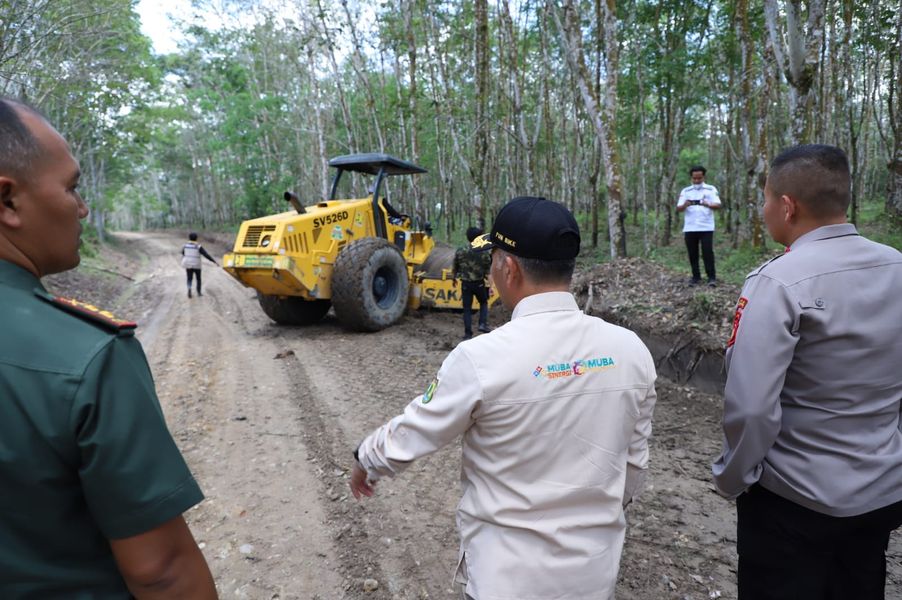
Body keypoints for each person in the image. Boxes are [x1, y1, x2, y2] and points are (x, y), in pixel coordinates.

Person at [350, 196, 657, 600]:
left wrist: (365, 458)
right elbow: (633, 467)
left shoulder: (481, 358)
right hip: (594, 576)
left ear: (507, 267)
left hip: (507, 579)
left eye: (494, 259)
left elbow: (416, 431)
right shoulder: (631, 349)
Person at [0, 97, 217, 598]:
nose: (82, 207)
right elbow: (161, 571)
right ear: (7, 201)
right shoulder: (87, 358)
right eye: (72, 187)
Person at [712, 144, 902, 599]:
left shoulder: (778, 281)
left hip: (793, 502)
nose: (763, 211)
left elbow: (752, 408)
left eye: (764, 200)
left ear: (787, 205)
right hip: (880, 493)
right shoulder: (896, 267)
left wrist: (733, 477)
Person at [676, 165, 721, 286]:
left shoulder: (711, 189)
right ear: (691, 178)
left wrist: (708, 204)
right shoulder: (686, 191)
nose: (697, 181)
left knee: (707, 253)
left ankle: (711, 277)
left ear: (703, 177)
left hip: (706, 227)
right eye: (694, 178)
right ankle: (696, 277)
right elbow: (678, 208)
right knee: (692, 253)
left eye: (699, 178)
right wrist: (685, 204)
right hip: (690, 227)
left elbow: (718, 205)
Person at [452, 225, 492, 339]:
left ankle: (468, 334)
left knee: (467, 309)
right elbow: (488, 271)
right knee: (483, 303)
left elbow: (455, 266)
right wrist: (492, 286)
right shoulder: (484, 252)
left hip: (466, 284)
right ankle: (482, 324)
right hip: (479, 283)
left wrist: (453, 278)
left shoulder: (461, 250)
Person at [182, 231, 217, 298]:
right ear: (196, 238)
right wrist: (213, 261)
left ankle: (189, 289)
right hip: (197, 265)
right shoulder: (198, 246)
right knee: (198, 279)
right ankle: (199, 292)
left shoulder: (185, 246)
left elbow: (183, 253)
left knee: (189, 278)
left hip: (188, 264)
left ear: (189, 238)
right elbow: (206, 255)